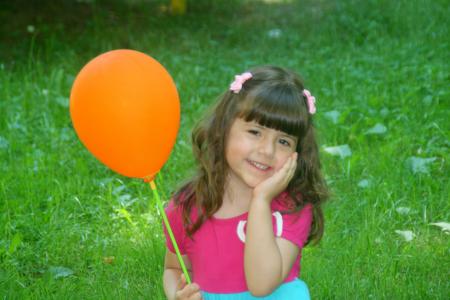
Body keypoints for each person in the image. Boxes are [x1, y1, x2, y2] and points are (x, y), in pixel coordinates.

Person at [162, 66, 329, 299]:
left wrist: (260, 200)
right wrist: (176, 294)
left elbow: (261, 286)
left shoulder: (292, 206)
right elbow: (174, 268)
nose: (267, 150)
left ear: (296, 153)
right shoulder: (186, 206)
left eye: (283, 141)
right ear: (223, 129)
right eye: (254, 132)